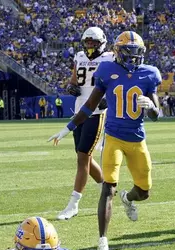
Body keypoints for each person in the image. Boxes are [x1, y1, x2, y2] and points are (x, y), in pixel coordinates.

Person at [48, 31, 162, 250]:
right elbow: (90, 106)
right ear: (118, 53)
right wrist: (68, 128)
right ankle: (102, 242)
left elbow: (156, 115)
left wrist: (151, 106)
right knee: (107, 188)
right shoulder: (107, 70)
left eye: (136, 53)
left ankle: (128, 199)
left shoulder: (150, 74)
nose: (133, 58)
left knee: (145, 191)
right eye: (128, 52)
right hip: (113, 138)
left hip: (137, 139)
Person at [51, 27, 113, 221]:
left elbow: (117, 83)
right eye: (87, 42)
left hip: (96, 112)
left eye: (93, 43)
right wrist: (71, 87)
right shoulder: (79, 56)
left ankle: (74, 204)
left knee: (82, 157)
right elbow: (73, 80)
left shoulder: (110, 58)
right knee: (83, 156)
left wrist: (108, 98)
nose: (90, 46)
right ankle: (108, 187)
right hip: (79, 111)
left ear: (101, 42)